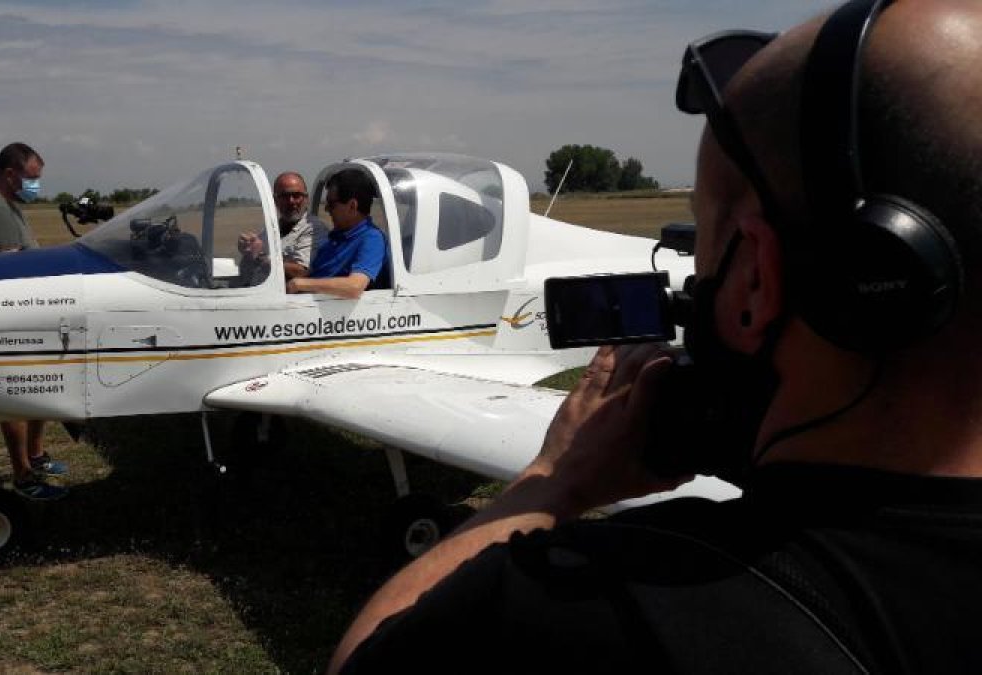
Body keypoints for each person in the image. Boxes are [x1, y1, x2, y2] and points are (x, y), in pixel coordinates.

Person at [331, 0, 982, 672]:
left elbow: (363, 659)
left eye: (701, 233)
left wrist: (553, 479)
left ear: (756, 280)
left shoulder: (600, 611)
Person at [0, 142, 68, 501]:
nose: (36, 185)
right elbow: (12, 267)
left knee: (40, 385)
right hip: (11, 317)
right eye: (32, 178)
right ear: (11, 174)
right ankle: (23, 474)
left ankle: (35, 456)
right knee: (19, 393)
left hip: (25, 313)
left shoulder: (7, 205)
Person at [287, 169, 389, 299]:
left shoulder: (372, 238)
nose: (326, 209)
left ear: (352, 206)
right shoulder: (336, 237)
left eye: (331, 204)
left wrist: (299, 284)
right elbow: (317, 275)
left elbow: (355, 286)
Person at [237, 172, 326, 285]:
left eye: (297, 195)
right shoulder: (271, 229)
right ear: (275, 200)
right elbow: (246, 272)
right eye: (284, 196)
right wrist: (248, 253)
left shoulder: (314, 229)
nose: (291, 201)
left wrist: (260, 256)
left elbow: (301, 272)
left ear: (306, 198)